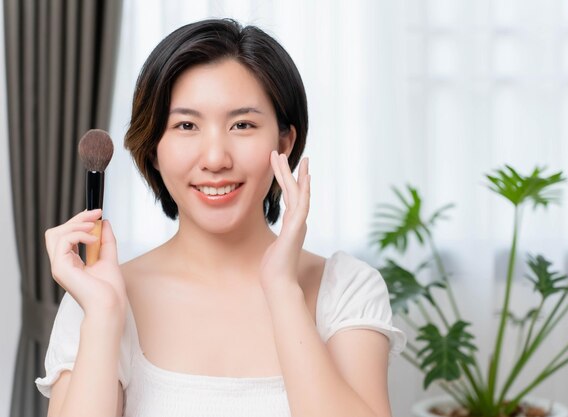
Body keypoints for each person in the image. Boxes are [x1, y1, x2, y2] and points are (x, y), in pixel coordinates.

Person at [36, 18, 406, 417]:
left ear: (285, 142)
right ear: (154, 147)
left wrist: (282, 289)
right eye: (186, 125)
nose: (215, 159)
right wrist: (104, 314)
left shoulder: (346, 290)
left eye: (242, 124)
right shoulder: (97, 298)